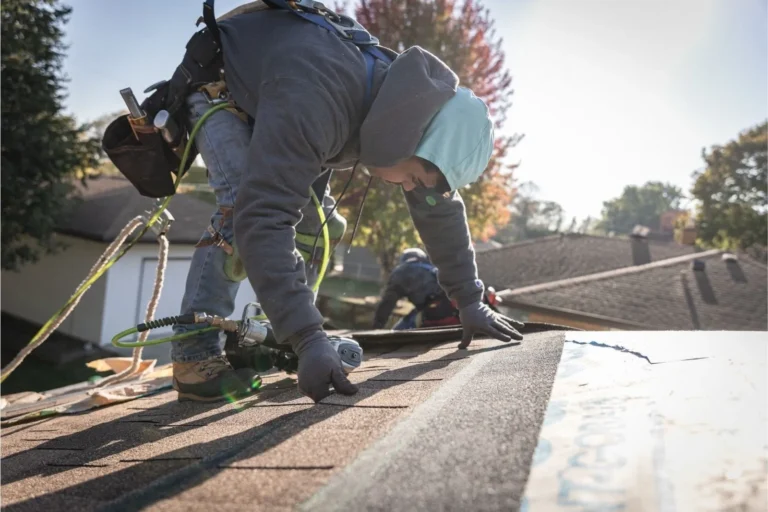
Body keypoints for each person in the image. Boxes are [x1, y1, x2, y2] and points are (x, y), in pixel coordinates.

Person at [166, 2, 524, 403]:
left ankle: (266, 336)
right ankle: (194, 355)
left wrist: (470, 300)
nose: (409, 186)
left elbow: (437, 208)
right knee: (241, 210)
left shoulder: (405, 111)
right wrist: (307, 336)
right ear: (409, 138)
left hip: (289, 95)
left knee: (321, 227)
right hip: (223, 82)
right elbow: (263, 218)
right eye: (414, 176)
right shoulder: (321, 100)